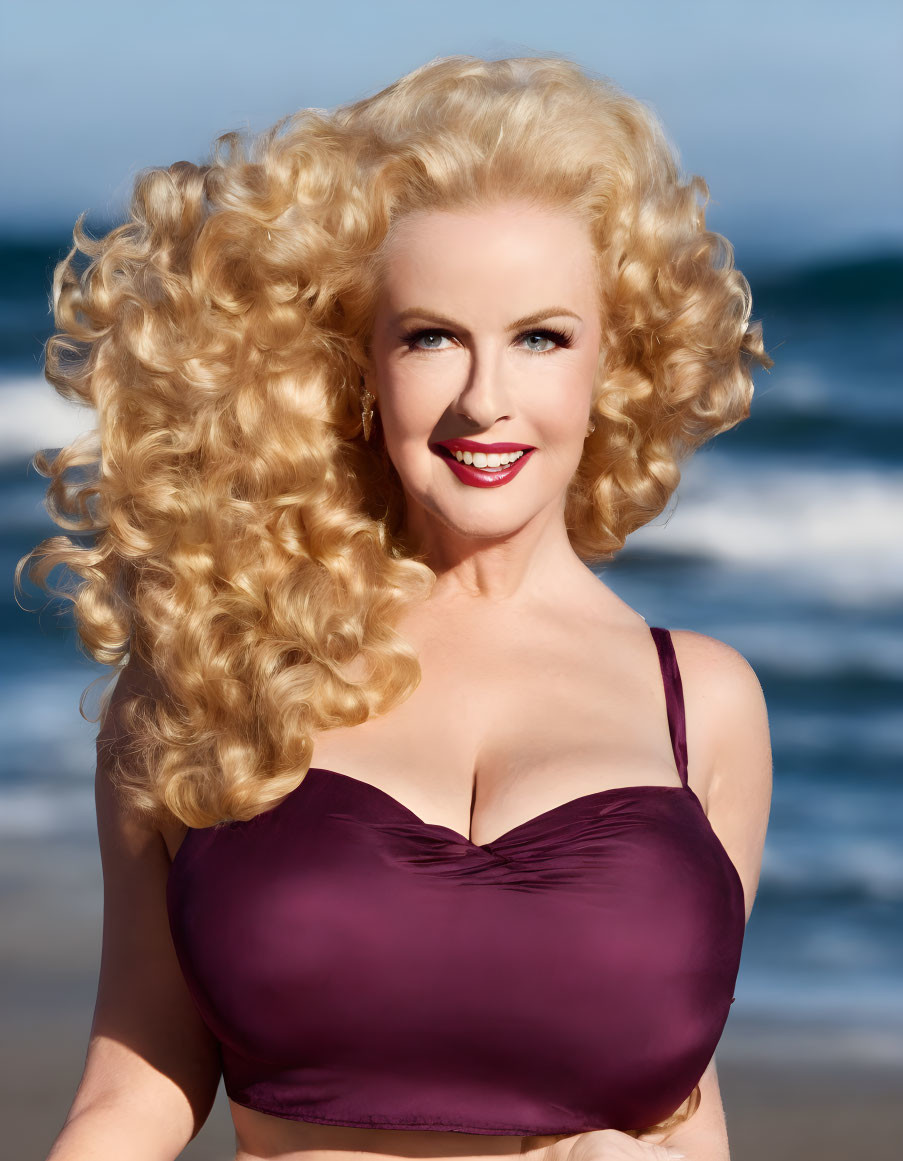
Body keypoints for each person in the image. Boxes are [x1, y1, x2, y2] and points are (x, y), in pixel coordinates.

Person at [23, 54, 773, 1161]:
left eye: (540, 337)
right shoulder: (216, 674)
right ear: (357, 368)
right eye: (431, 337)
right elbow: (134, 1091)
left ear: (613, 363)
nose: (484, 399)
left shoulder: (704, 705)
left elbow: (681, 1105)